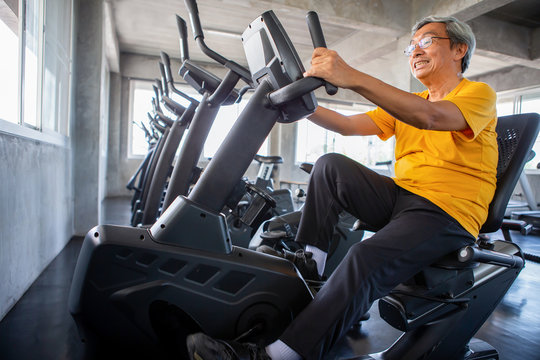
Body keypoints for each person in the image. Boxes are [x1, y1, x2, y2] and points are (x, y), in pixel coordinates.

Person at [187, 14, 498, 360]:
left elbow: (431, 117)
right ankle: (312, 266)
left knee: (364, 257)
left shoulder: (476, 94)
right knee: (330, 166)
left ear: (459, 49)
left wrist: (350, 76)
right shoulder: (413, 103)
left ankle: (276, 356)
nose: (415, 51)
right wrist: (296, 101)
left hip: (448, 213)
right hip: (403, 199)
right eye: (411, 47)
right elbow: (346, 125)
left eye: (426, 41)